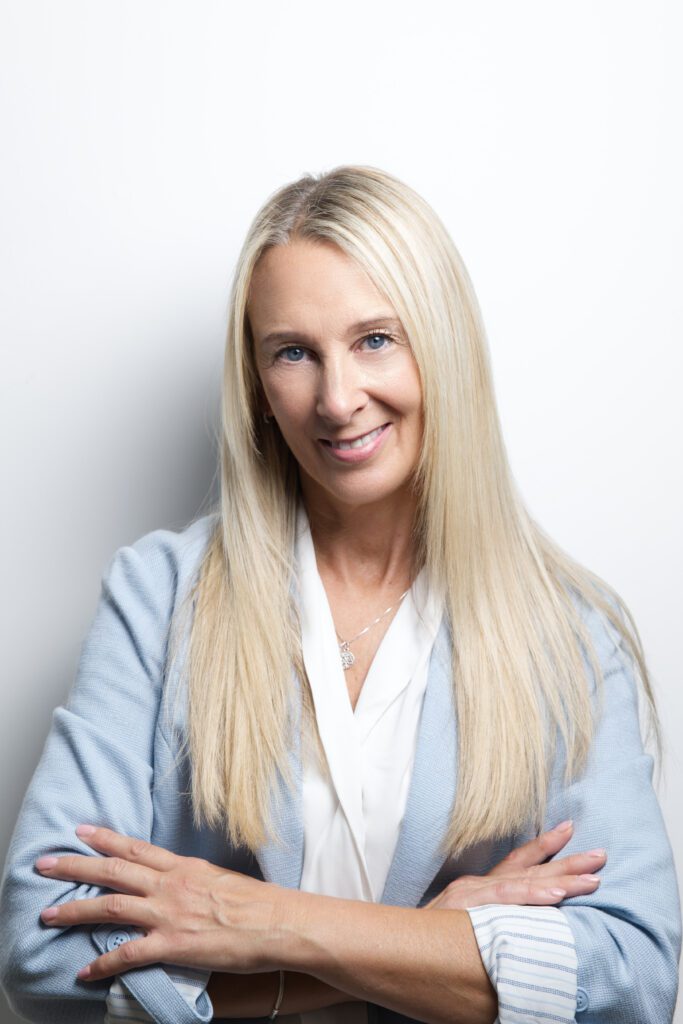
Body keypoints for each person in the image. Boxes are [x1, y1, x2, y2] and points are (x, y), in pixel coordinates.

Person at [0, 165, 680, 1024]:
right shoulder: (160, 596)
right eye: (293, 352)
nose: (337, 398)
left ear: (442, 348)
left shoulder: (567, 633)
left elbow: (630, 976)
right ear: (256, 388)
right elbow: (40, 945)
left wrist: (268, 925)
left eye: (374, 340)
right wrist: (418, 944)